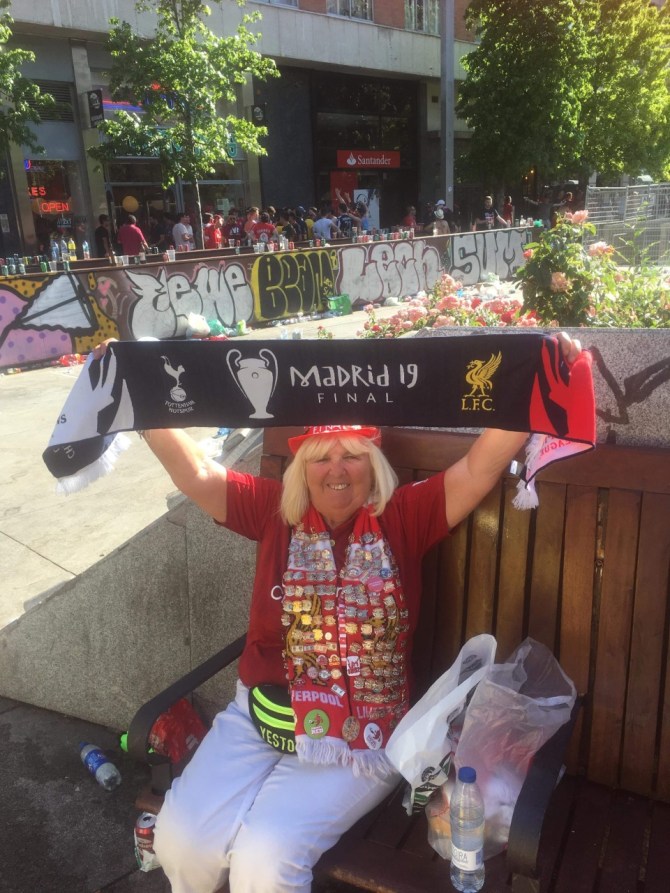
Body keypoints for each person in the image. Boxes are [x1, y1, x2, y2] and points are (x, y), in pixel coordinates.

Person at [91, 332, 581, 893]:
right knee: (181, 839)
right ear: (302, 468)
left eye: (352, 454)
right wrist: (136, 386)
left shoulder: (403, 516)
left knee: (265, 856)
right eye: (321, 457)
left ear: (374, 464)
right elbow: (199, 474)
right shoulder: (275, 512)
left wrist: (539, 378)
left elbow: (477, 470)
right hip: (261, 717)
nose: (337, 469)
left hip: (360, 733)